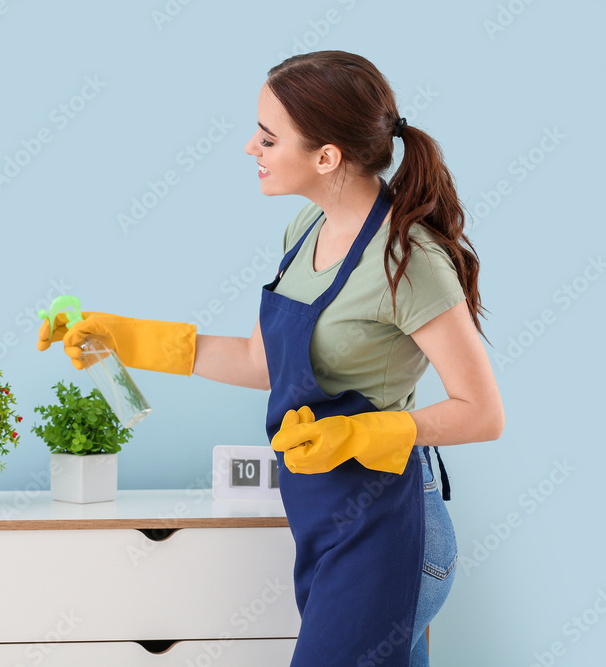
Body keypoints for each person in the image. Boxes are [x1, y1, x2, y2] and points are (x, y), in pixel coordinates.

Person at [37, 50, 504, 666]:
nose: (250, 148)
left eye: (267, 137)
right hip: (327, 519)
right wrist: (127, 338)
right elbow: (263, 361)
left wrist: (364, 431)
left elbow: (483, 413)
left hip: (390, 528)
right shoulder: (307, 229)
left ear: (326, 156)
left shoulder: (406, 261)